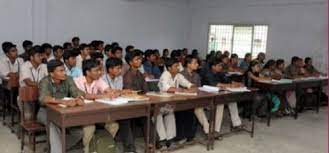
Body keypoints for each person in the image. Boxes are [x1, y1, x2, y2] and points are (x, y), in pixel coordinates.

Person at [37, 60, 85, 153]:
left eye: (64, 70)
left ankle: (55, 148)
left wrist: (79, 98)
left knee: (79, 132)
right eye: (61, 71)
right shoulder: (44, 81)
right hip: (46, 112)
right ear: (51, 73)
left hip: (65, 112)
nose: (64, 73)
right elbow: (43, 99)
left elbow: (76, 92)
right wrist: (63, 102)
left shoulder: (68, 79)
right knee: (53, 126)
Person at [74, 59, 119, 153]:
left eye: (99, 70)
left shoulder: (98, 80)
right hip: (81, 114)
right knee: (89, 128)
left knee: (114, 125)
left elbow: (107, 89)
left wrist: (112, 92)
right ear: (87, 72)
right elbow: (84, 96)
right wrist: (103, 95)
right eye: (96, 70)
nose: (99, 73)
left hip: (96, 113)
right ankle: (87, 150)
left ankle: (102, 147)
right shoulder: (77, 81)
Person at [157, 58, 195, 149]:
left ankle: (170, 140)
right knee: (157, 115)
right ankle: (162, 140)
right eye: (176, 66)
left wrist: (192, 87)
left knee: (170, 113)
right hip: (160, 102)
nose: (178, 68)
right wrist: (182, 90)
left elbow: (188, 84)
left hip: (171, 103)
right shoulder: (165, 75)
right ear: (169, 68)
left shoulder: (178, 75)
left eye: (178, 65)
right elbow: (167, 88)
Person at [204, 59, 243, 138]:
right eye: (219, 65)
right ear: (213, 67)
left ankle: (236, 124)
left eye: (221, 65)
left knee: (232, 101)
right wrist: (229, 86)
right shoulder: (208, 74)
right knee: (220, 104)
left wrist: (237, 84)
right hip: (208, 97)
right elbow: (216, 84)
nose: (221, 67)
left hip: (220, 94)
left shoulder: (220, 73)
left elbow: (228, 81)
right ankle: (216, 130)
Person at [122, 50, 148, 153]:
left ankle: (153, 143)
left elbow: (145, 90)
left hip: (140, 103)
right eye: (137, 59)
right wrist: (139, 94)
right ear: (130, 62)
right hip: (129, 105)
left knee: (147, 117)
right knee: (126, 120)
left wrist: (142, 94)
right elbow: (129, 93)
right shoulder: (127, 76)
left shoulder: (140, 74)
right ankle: (130, 148)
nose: (140, 61)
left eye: (140, 59)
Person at [177, 55, 200, 142]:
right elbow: (182, 89)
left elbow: (198, 88)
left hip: (194, 98)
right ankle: (183, 136)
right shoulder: (181, 74)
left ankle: (190, 135)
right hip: (183, 99)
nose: (197, 64)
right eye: (195, 63)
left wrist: (194, 89)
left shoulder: (196, 75)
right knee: (186, 112)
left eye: (197, 63)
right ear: (188, 64)